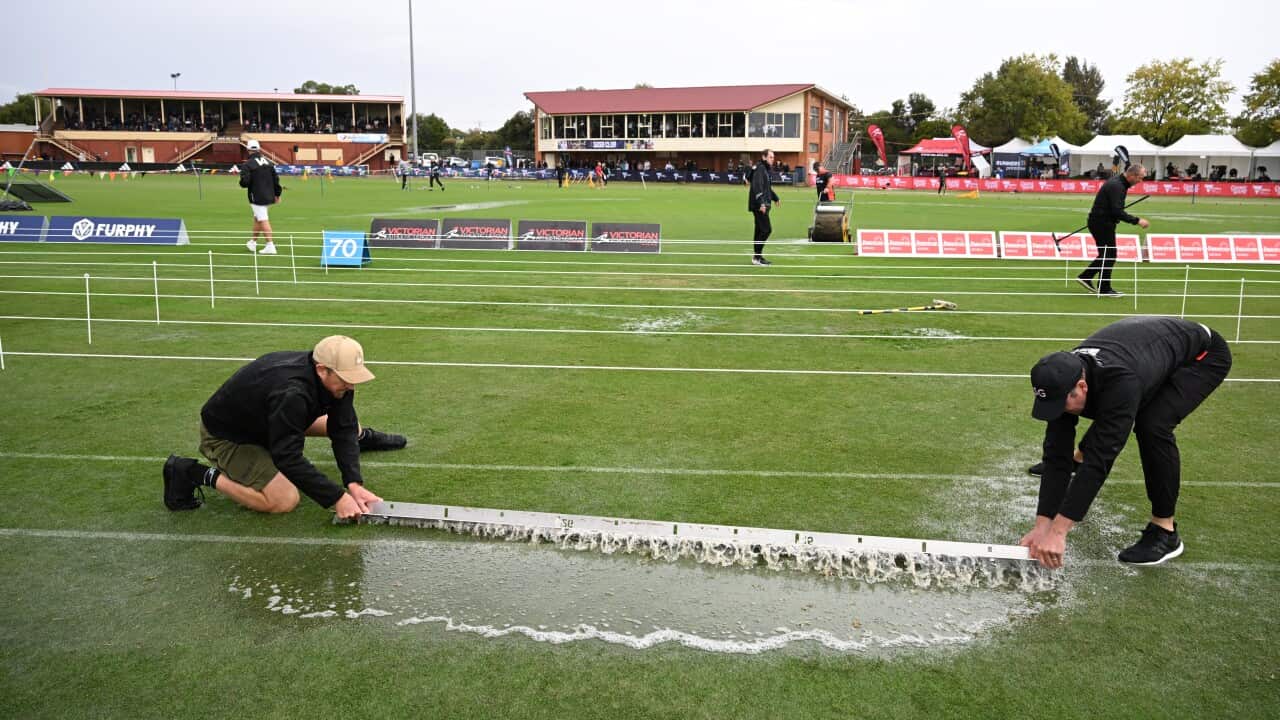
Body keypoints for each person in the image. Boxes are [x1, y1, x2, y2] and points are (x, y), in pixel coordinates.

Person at [1023, 317, 1231, 568]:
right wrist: (1042, 525)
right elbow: (1056, 456)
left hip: (1202, 356)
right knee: (1098, 422)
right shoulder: (1062, 378)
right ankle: (1078, 459)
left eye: (1062, 403)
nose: (1058, 410)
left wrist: (1058, 533)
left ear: (1081, 386)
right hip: (1144, 356)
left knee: (1153, 425)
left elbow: (1101, 458)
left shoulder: (1121, 382)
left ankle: (1165, 532)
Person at [163, 335, 408, 519]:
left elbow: (342, 426)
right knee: (283, 500)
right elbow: (287, 457)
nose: (352, 386)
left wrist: (354, 483)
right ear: (322, 370)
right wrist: (337, 498)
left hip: (270, 419)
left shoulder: (333, 379)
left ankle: (360, 438)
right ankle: (191, 473)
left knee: (350, 428)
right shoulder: (292, 394)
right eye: (346, 379)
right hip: (228, 436)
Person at [1076, 163, 1150, 297]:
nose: (1140, 181)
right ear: (1132, 175)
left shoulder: (1120, 184)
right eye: (1140, 178)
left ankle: (1088, 278)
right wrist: (1137, 220)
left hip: (1101, 222)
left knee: (1107, 254)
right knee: (1109, 254)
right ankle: (1101, 286)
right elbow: (1117, 211)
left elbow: (1114, 210)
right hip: (1102, 223)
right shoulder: (1117, 186)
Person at [240, 140, 280, 255]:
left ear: (248, 150)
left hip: (257, 196)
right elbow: (276, 179)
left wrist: (242, 181)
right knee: (258, 218)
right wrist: (277, 194)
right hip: (269, 195)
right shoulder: (268, 162)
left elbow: (244, 183)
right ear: (258, 149)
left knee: (262, 219)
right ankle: (253, 242)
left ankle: (270, 245)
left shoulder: (248, 164)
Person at [747, 148, 780, 266]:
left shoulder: (764, 169)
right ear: (764, 157)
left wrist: (775, 197)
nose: (773, 159)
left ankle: (757, 257)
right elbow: (757, 186)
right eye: (770, 157)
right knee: (766, 229)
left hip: (762, 204)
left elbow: (766, 188)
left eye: (773, 157)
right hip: (759, 205)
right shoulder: (761, 169)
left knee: (760, 230)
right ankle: (757, 257)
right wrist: (761, 203)